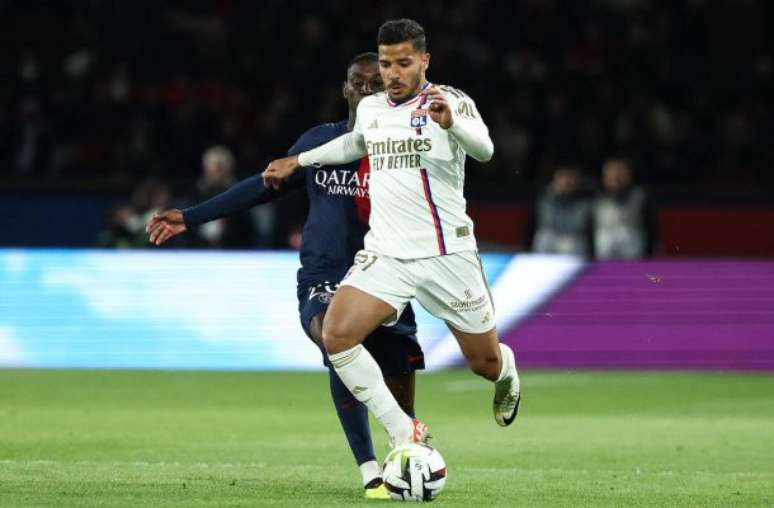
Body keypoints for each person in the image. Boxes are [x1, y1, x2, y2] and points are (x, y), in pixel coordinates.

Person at [145, 52, 424, 500]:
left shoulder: (405, 145)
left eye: (376, 81)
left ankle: (406, 451)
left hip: (386, 274)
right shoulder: (318, 142)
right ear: (346, 89)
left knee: (397, 384)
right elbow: (262, 185)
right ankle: (370, 469)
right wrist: (192, 217)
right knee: (337, 339)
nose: (366, 87)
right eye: (357, 81)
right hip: (325, 274)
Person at [262, 19, 521, 450]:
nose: (393, 74)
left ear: (424, 60)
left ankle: (507, 370)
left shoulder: (450, 100)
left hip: (446, 254)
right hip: (387, 255)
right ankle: (404, 431)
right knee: (337, 336)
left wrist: (452, 123)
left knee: (483, 362)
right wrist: (300, 161)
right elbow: (354, 145)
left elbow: (485, 149)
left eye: (403, 63)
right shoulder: (373, 109)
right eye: (386, 64)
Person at [187, 145, 258, 249]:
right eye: (214, 166)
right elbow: (186, 226)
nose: (217, 170)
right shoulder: (195, 193)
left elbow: (248, 228)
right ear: (205, 167)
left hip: (233, 250)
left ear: (229, 167)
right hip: (197, 250)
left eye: (221, 166)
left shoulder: (240, 193)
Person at [593, 157, 658, 259]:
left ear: (629, 175)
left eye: (620, 173)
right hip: (603, 254)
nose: (616, 177)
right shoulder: (595, 199)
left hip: (634, 253)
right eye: (611, 173)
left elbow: (651, 226)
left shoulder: (641, 197)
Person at [529, 163, 594, 257]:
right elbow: (547, 222)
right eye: (562, 177)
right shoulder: (547, 198)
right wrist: (554, 195)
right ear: (554, 180)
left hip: (573, 238)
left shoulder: (585, 200)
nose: (566, 181)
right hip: (553, 236)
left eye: (570, 177)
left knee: (573, 244)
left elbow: (580, 224)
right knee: (543, 237)